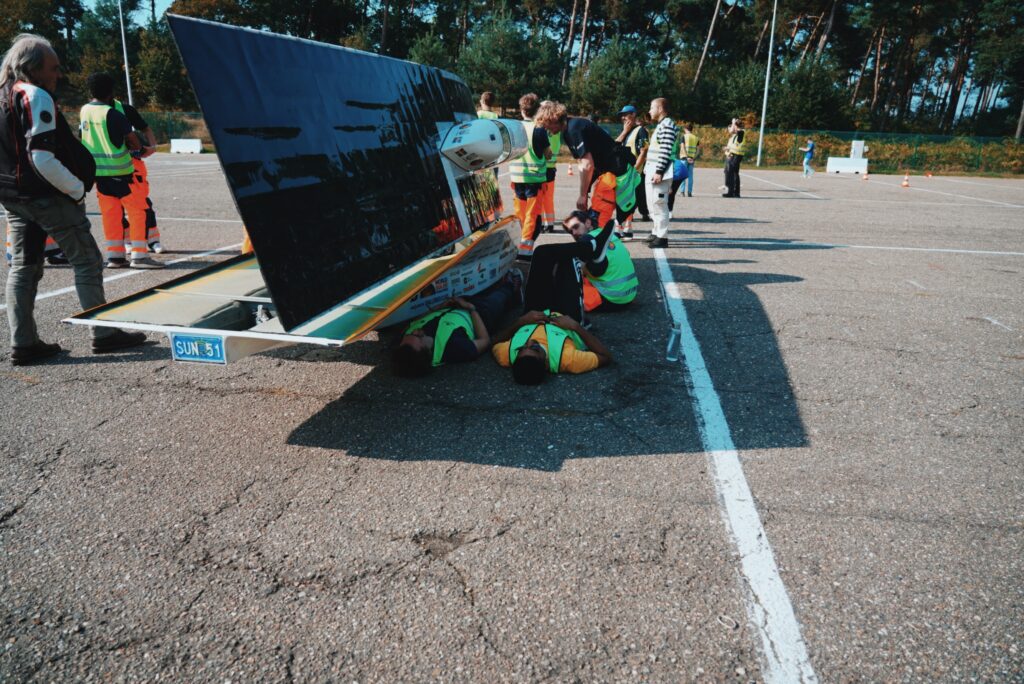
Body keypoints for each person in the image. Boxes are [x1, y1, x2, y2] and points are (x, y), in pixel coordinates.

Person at [0, 34, 147, 364]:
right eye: (53, 68)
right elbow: (41, 156)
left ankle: (23, 342)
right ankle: (103, 332)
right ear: (33, 68)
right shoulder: (34, 95)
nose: (58, 74)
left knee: (23, 267)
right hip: (45, 195)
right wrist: (76, 189)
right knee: (88, 260)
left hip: (13, 196)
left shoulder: (3, 95)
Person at [80, 72, 161, 269]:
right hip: (123, 172)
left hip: (100, 175)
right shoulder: (113, 113)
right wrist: (144, 151)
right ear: (111, 92)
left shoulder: (84, 111)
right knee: (137, 212)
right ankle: (140, 256)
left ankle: (115, 257)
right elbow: (133, 141)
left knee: (111, 215)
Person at [535, 100, 640, 231]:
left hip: (616, 174)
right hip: (609, 174)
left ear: (554, 119)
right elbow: (583, 164)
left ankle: (603, 247)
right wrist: (585, 191)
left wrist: (583, 195)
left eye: (546, 125)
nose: (547, 130)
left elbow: (587, 165)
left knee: (596, 224)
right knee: (594, 221)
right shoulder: (570, 129)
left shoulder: (574, 129)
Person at [392, 271, 521, 378]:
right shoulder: (454, 349)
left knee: (481, 287)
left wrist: (441, 306)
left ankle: (496, 283)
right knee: (497, 299)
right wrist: (471, 309)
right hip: (479, 315)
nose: (415, 331)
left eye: (410, 333)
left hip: (451, 306)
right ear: (425, 351)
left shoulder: (405, 342)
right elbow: (485, 341)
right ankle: (513, 287)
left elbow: (415, 321)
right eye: (418, 336)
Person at [562, 209, 637, 312]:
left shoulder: (586, 239)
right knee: (584, 264)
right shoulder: (608, 234)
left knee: (566, 283)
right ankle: (596, 258)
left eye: (576, 227)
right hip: (630, 294)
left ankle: (595, 260)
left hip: (611, 298)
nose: (574, 233)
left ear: (588, 223)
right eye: (571, 231)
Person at [115, 99, 163, 253]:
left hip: (133, 166)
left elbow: (145, 128)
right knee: (118, 208)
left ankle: (152, 240)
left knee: (144, 204)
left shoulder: (125, 109)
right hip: (111, 167)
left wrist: (152, 147)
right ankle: (127, 241)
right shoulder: (93, 112)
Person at [510, 93, 550, 259]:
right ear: (536, 110)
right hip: (534, 180)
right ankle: (525, 250)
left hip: (516, 178)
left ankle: (518, 242)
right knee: (532, 216)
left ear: (521, 109)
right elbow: (547, 154)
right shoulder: (538, 130)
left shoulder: (514, 127)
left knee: (521, 214)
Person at [644, 98, 680, 249]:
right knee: (652, 204)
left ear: (660, 109)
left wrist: (659, 171)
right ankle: (656, 231)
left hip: (660, 171)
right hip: (653, 169)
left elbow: (665, 150)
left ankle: (662, 237)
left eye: (652, 108)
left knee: (659, 204)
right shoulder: (661, 125)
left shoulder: (667, 125)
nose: (650, 111)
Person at [614, 104, 649, 240]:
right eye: (622, 115)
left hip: (634, 174)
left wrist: (635, 171)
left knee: (627, 200)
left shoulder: (641, 130)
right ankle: (627, 228)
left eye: (626, 114)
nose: (623, 117)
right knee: (626, 200)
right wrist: (624, 131)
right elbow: (615, 146)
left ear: (634, 115)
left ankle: (620, 228)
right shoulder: (626, 130)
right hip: (625, 174)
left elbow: (643, 152)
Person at [538, 99, 560, 235]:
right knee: (548, 197)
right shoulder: (556, 125)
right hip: (551, 165)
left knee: (540, 197)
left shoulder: (542, 126)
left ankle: (540, 223)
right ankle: (550, 223)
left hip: (542, 165)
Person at [722, 117, 747, 198]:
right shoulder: (737, 134)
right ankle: (735, 192)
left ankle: (731, 192)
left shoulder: (741, 132)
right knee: (735, 173)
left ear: (736, 126)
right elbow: (734, 144)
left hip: (736, 155)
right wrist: (727, 148)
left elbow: (733, 130)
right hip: (734, 154)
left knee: (731, 173)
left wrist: (733, 123)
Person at [681, 123, 700, 197]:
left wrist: (686, 157)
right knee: (690, 176)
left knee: (682, 175)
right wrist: (693, 158)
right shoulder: (696, 138)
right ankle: (689, 192)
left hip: (684, 158)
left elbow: (683, 147)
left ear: (685, 129)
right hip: (692, 159)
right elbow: (698, 150)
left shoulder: (684, 137)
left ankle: (682, 192)